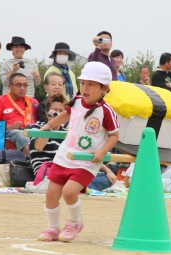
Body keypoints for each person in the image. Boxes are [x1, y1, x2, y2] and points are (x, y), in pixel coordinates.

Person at [38, 61, 119, 242]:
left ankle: (75, 223)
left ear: (103, 88)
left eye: (91, 84)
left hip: (87, 160)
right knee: (51, 193)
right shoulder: (76, 101)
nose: (85, 88)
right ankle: (52, 227)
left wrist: (102, 151)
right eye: (83, 83)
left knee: (69, 192)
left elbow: (114, 136)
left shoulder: (105, 111)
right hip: (66, 154)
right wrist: (50, 125)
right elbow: (66, 114)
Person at [0, 73, 39, 157]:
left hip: (31, 130)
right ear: (10, 86)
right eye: (18, 85)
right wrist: (11, 126)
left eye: (25, 85)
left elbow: (40, 122)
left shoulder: (33, 102)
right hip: (11, 132)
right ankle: (32, 163)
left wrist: (32, 126)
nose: (22, 88)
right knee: (22, 135)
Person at [30, 94, 67, 175]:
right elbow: (38, 147)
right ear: (47, 112)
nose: (58, 113)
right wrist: (50, 125)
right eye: (55, 110)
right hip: (44, 171)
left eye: (61, 111)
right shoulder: (37, 126)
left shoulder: (66, 132)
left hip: (63, 170)